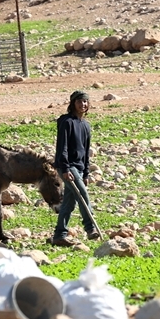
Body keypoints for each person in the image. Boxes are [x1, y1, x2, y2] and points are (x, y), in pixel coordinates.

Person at [52, 90, 100, 247]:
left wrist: (86, 172)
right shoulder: (66, 122)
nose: (83, 104)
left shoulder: (85, 125)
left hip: (79, 168)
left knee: (69, 203)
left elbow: (86, 151)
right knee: (82, 193)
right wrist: (65, 169)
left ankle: (59, 235)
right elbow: (62, 147)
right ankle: (90, 227)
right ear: (73, 103)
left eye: (85, 101)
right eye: (79, 101)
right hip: (67, 166)